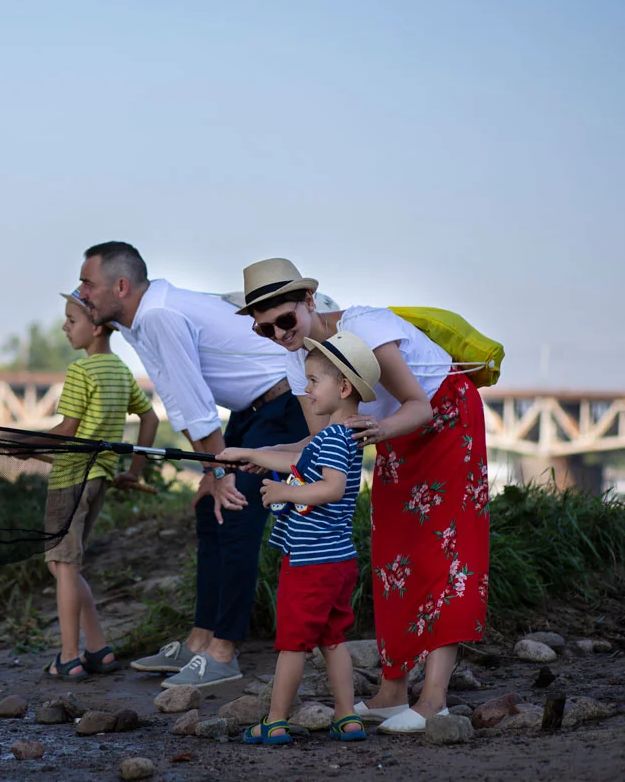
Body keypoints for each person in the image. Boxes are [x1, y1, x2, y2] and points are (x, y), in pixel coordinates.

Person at [236, 257, 491, 734]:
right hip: (387, 434)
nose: (277, 335)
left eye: (284, 320)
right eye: (263, 329)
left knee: (448, 554)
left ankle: (434, 699)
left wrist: (377, 430)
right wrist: (265, 453)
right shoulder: (301, 362)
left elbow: (418, 405)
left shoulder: (366, 325)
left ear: (309, 300)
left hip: (445, 418)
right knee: (392, 553)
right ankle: (393, 690)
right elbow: (323, 441)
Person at [76, 241, 309, 688]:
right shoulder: (138, 323)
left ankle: (225, 653)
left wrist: (221, 475)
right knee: (211, 508)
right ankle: (200, 640)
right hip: (251, 411)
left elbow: (197, 403)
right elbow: (178, 400)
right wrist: (211, 473)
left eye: (88, 283)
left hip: (285, 404)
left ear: (120, 286)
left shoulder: (160, 314)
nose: (81, 292)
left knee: (236, 510)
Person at [217, 330, 379, 745]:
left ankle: (274, 721)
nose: (305, 390)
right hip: (337, 560)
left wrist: (285, 492)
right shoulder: (344, 437)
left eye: (313, 382)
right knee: (333, 640)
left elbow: (331, 488)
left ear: (342, 387)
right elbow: (296, 459)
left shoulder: (329, 438)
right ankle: (347, 717)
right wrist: (248, 454)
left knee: (292, 645)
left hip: (310, 562)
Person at [43, 290, 160, 679]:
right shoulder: (120, 371)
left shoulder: (81, 371)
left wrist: (25, 444)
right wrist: (135, 471)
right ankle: (98, 648)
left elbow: (68, 429)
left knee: (62, 564)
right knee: (69, 567)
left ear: (95, 328)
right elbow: (150, 421)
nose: (64, 326)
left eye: (71, 320)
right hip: (101, 479)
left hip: (70, 477)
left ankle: (69, 656)